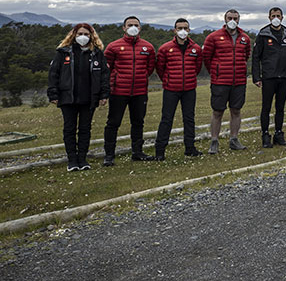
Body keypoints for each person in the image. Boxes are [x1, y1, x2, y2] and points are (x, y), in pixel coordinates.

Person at [47, 24, 109, 171]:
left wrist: (104, 94)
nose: (83, 37)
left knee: (85, 129)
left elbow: (104, 76)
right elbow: (54, 74)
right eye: (80, 33)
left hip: (89, 98)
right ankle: (72, 160)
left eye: (86, 34)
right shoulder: (63, 52)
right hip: (68, 97)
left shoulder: (97, 53)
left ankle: (83, 158)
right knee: (69, 129)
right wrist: (53, 93)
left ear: (92, 36)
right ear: (74, 35)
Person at [102, 16, 157, 165]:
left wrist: (142, 77)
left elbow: (150, 68)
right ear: (124, 28)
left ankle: (137, 152)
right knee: (113, 123)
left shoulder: (148, 47)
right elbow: (107, 68)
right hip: (118, 91)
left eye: (136, 25)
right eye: (130, 25)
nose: (133, 27)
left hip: (139, 92)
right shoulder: (113, 46)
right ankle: (109, 155)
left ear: (140, 28)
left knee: (138, 122)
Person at [202, 9, 252, 153]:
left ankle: (234, 139)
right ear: (224, 19)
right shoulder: (213, 37)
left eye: (235, 18)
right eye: (230, 17)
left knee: (236, 110)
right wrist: (216, 72)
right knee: (217, 111)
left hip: (239, 81)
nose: (232, 20)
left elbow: (246, 56)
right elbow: (207, 58)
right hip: (220, 81)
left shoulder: (245, 38)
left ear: (239, 20)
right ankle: (214, 141)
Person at [154, 18, 204, 159]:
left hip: (189, 89)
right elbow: (160, 68)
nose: (182, 31)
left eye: (185, 28)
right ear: (174, 30)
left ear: (189, 30)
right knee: (166, 119)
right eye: (179, 28)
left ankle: (190, 148)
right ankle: (160, 151)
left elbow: (197, 68)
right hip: (171, 89)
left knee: (189, 119)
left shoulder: (196, 49)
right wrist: (168, 79)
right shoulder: (165, 48)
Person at [252, 7, 286, 148]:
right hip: (268, 77)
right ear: (269, 17)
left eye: (278, 15)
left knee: (280, 107)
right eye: (273, 15)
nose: (276, 18)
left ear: (282, 17)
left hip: (283, 77)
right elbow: (256, 57)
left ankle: (279, 133)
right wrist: (256, 77)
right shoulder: (263, 34)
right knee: (266, 107)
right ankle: (265, 135)